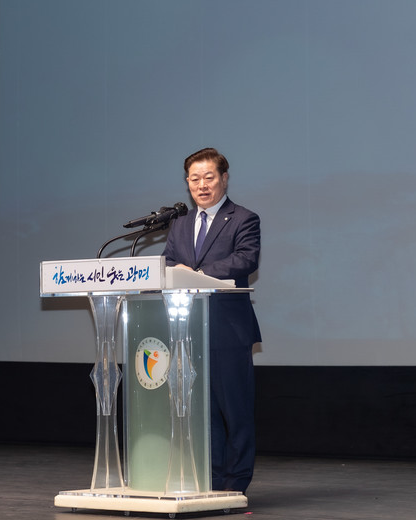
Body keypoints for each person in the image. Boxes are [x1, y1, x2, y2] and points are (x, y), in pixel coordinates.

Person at [162, 147, 261, 494]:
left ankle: (236, 483)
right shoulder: (179, 224)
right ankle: (211, 481)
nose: (201, 186)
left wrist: (198, 274)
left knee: (235, 411)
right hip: (187, 329)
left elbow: (246, 259)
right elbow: (168, 262)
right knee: (201, 413)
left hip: (227, 330)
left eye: (208, 177)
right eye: (194, 179)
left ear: (224, 179)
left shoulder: (244, 218)